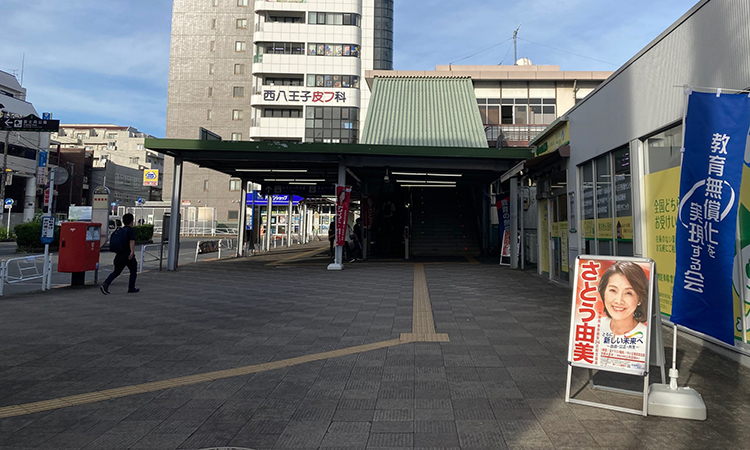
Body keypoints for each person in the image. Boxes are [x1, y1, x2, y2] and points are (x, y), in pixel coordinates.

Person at [597, 261, 649, 337]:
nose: (618, 301)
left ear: (640, 299)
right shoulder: (591, 328)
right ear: (603, 292)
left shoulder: (646, 337)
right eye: (613, 290)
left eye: (628, 293)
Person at [100, 213, 139, 294]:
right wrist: (132, 251)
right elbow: (132, 241)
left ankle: (105, 284)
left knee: (116, 271)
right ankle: (131, 287)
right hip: (127, 254)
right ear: (131, 221)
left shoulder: (120, 230)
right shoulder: (130, 230)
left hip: (119, 255)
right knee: (133, 270)